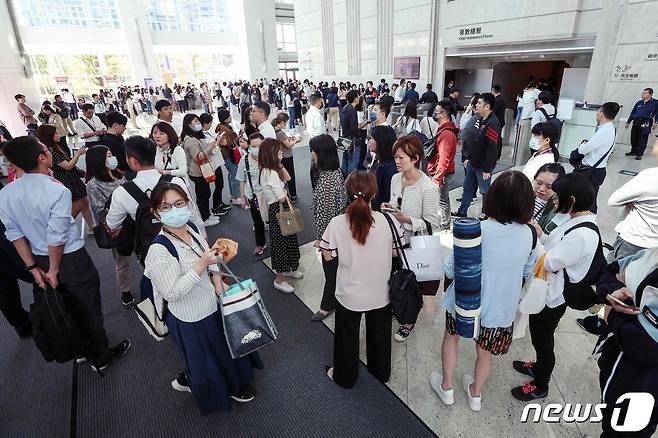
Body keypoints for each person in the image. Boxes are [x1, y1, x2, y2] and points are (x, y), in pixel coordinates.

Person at [0, 135, 130, 371]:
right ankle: (101, 356)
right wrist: (54, 269)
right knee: (88, 307)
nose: (49, 153)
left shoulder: (6, 193)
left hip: (38, 259)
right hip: (69, 260)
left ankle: (81, 349)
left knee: (65, 305)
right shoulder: (56, 191)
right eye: (45, 150)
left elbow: (14, 233)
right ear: (41, 157)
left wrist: (33, 268)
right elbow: (56, 235)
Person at [143, 183, 262, 414]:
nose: (175, 210)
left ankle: (217, 380)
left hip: (212, 304)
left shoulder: (192, 230)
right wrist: (201, 265)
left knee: (221, 349)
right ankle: (215, 387)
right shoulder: (158, 250)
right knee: (205, 359)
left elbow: (210, 262)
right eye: (166, 206)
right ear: (156, 212)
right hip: (191, 317)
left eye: (179, 204)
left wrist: (218, 285)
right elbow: (172, 293)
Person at [433, 171, 537, 411]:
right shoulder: (530, 235)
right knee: (485, 353)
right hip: (501, 307)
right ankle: (475, 394)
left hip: (464, 301)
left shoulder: (475, 229)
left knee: (452, 338)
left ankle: (447, 387)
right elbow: (528, 270)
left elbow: (450, 268)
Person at [511, 172, 600, 401]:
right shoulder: (578, 221)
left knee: (543, 339)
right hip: (549, 290)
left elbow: (550, 261)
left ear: (571, 199)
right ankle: (538, 366)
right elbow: (553, 246)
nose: (553, 200)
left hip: (553, 296)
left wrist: (537, 236)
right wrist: (542, 237)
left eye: (557, 196)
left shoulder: (582, 234)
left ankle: (541, 383)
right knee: (539, 334)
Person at [321, 171, 404, 388]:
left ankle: (344, 376)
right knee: (380, 335)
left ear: (347, 193)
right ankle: (380, 372)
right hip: (381, 293)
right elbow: (398, 252)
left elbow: (328, 255)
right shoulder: (388, 221)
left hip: (349, 294)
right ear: (374, 193)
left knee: (346, 337)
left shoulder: (337, 223)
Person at [593, 248, 658, 437]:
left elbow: (648, 346)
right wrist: (612, 292)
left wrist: (611, 315)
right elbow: (610, 270)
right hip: (616, 363)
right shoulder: (650, 253)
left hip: (644, 387)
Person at [384, 135, 441, 342]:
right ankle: (395, 306)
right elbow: (395, 204)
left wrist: (406, 219)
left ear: (415, 158)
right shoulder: (394, 179)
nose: (397, 162)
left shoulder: (428, 187)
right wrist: (391, 210)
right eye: (396, 157)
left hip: (414, 245)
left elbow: (432, 223)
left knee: (410, 286)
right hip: (393, 240)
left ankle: (408, 321)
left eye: (401, 158)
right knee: (393, 279)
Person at [106, 135, 200, 248]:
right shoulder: (175, 182)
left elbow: (113, 224)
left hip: (151, 246)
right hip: (183, 240)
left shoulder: (122, 193)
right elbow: (192, 214)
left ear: (133, 161)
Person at [85, 145, 135, 306]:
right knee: (122, 261)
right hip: (117, 227)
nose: (112, 158)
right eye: (108, 155)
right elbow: (98, 209)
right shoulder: (93, 184)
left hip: (133, 221)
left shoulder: (119, 175)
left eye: (111, 154)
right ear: (98, 160)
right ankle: (125, 290)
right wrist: (117, 203)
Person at [310, 135, 348, 321]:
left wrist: (323, 242)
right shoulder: (335, 172)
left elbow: (326, 216)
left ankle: (327, 305)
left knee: (331, 271)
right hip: (338, 233)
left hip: (331, 238)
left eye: (313, 151)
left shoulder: (327, 181)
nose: (311, 155)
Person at [258, 138, 301, 293]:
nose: (281, 152)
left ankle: (289, 269)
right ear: (272, 154)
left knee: (288, 238)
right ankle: (279, 279)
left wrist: (280, 164)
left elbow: (288, 178)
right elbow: (282, 197)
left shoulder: (270, 169)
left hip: (279, 209)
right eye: (278, 151)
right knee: (281, 243)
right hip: (279, 208)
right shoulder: (270, 173)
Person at [36, 125, 94, 232]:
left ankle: (92, 227)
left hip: (72, 178)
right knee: (76, 206)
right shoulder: (51, 151)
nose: (59, 135)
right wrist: (78, 154)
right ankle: (62, 229)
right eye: (56, 133)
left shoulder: (56, 148)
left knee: (85, 202)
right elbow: (68, 166)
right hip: (66, 180)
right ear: (49, 136)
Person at [453, 93, 501, 218]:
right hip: (473, 161)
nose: (477, 105)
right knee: (467, 187)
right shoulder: (480, 119)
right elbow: (474, 141)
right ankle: (462, 211)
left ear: (487, 106)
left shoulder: (493, 123)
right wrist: (468, 157)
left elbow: (492, 148)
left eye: (479, 103)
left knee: (485, 190)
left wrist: (487, 169)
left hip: (483, 165)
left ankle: (486, 212)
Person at [573, 101, 620, 213]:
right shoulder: (611, 128)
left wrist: (580, 147)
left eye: (598, 111)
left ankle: (589, 220)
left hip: (591, 171)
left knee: (589, 199)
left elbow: (586, 148)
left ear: (602, 114)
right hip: (597, 169)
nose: (597, 113)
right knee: (588, 196)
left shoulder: (604, 131)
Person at [180, 114, 221, 227]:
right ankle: (204, 218)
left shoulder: (195, 136)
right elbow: (198, 157)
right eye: (195, 121)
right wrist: (211, 146)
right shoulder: (190, 140)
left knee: (205, 193)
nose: (198, 123)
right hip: (197, 172)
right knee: (202, 194)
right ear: (188, 124)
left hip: (200, 170)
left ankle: (207, 214)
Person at [427, 100, 458, 231]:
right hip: (443, 172)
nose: (434, 114)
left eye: (436, 112)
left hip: (443, 174)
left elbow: (444, 159)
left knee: (443, 200)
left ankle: (445, 225)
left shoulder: (446, 134)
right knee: (442, 199)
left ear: (443, 114)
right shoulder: (445, 130)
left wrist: (437, 179)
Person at [236, 133, 267, 255]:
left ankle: (278, 243)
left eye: (259, 146)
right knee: (258, 221)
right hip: (253, 196)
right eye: (253, 146)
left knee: (274, 221)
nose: (256, 149)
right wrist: (242, 197)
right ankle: (260, 243)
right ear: (248, 146)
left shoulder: (268, 157)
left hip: (269, 195)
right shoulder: (245, 161)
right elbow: (241, 179)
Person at [199, 112, 231, 216]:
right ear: (206, 123)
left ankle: (220, 203)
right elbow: (209, 149)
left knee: (220, 184)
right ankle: (216, 206)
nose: (211, 125)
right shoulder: (202, 135)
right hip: (213, 163)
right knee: (219, 185)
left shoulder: (206, 133)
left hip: (217, 162)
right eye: (210, 123)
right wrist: (217, 142)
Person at [530, 163, 567, 235]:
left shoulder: (559, 210)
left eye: (549, 187)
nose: (541, 189)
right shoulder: (525, 196)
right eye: (539, 183)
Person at [272, 113, 302, 200]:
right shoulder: (280, 133)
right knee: (290, 175)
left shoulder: (274, 130)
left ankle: (288, 194)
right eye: (285, 123)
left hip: (282, 156)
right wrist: (296, 140)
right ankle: (292, 195)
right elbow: (288, 145)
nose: (286, 124)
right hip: (287, 156)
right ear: (281, 122)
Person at [368, 125, 398, 211]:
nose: (369, 141)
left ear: (381, 141)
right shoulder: (378, 161)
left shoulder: (390, 169)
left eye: (372, 138)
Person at [215, 109, 241, 205]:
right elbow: (229, 144)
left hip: (226, 155)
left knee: (231, 175)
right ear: (225, 119)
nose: (231, 117)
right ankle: (236, 197)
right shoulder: (224, 130)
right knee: (235, 175)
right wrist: (238, 138)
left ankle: (233, 194)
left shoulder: (223, 127)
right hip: (228, 155)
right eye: (229, 116)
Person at [624, 87, 658, 159]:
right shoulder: (639, 103)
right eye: (643, 93)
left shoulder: (655, 103)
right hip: (636, 121)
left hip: (646, 122)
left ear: (650, 94)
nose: (643, 94)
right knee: (634, 137)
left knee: (643, 137)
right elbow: (633, 112)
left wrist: (656, 122)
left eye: (645, 93)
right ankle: (634, 151)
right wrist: (628, 122)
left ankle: (639, 154)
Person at [101, 111, 130, 176]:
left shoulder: (119, 136)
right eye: (123, 125)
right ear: (115, 125)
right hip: (121, 173)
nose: (125, 128)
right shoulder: (107, 141)